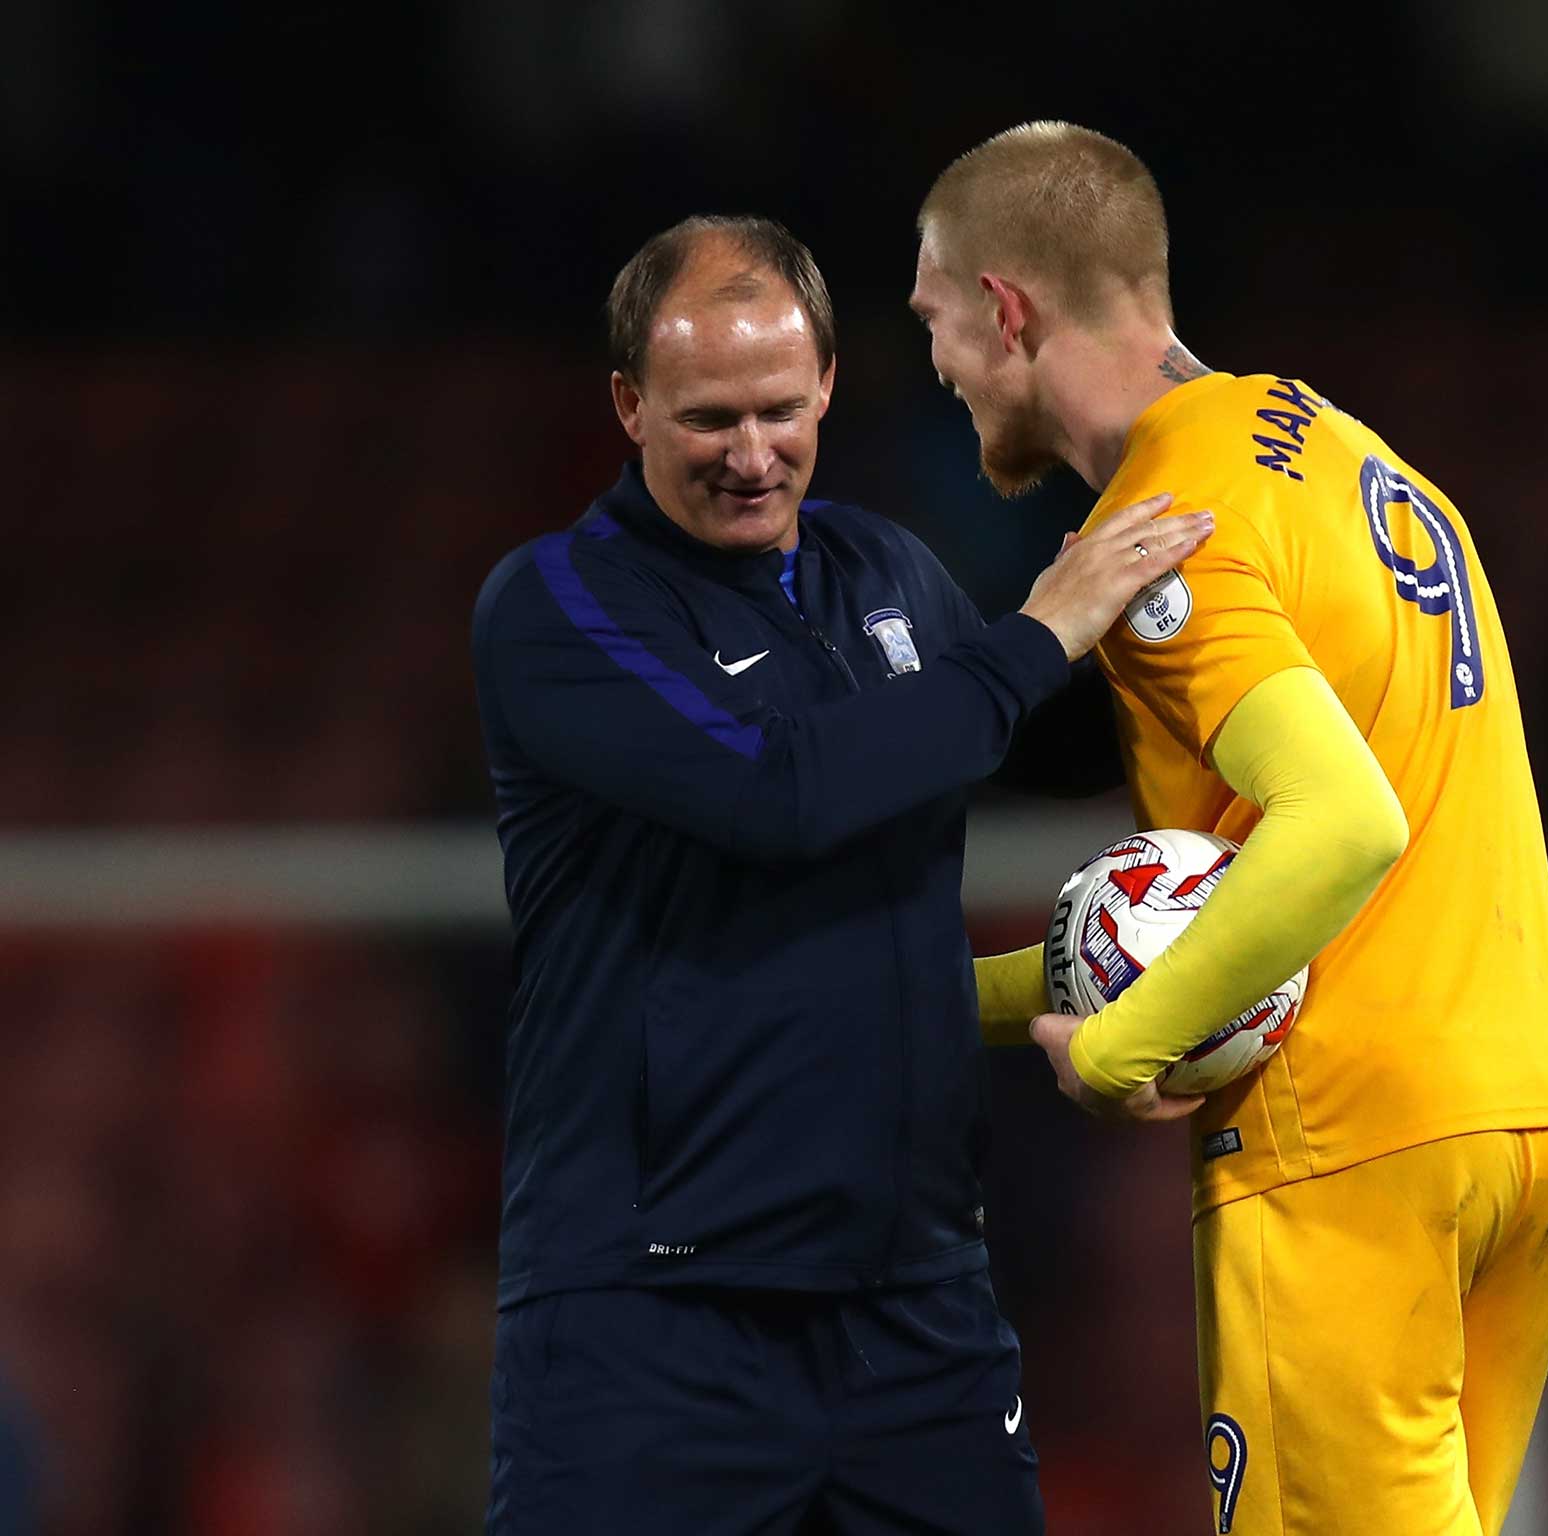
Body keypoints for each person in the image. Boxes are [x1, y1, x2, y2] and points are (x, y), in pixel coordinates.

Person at [469, 212, 1211, 1535]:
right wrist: (1042, 625)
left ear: (824, 385)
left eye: (776, 409)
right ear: (630, 405)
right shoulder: (558, 606)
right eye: (706, 420)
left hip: (915, 1307)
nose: (752, 456)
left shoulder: (891, 572)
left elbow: (1013, 740)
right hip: (652, 1316)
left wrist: (1224, 687)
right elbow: (781, 788)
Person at [911, 125, 1548, 1536]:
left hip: (1352, 1141)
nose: (935, 366)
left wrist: (1119, 1050)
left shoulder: (1168, 527)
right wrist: (929, 998)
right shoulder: (1344, 454)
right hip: (1528, 1115)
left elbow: (1343, 826)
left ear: (1006, 308)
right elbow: (1218, 907)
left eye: (933, 321)